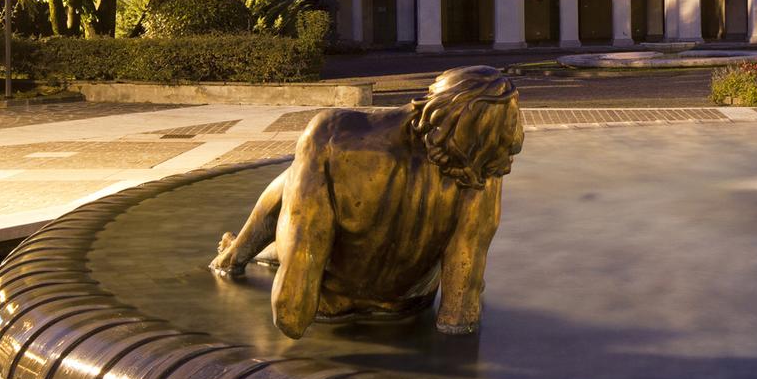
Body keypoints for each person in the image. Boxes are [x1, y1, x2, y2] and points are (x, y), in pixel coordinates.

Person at [210, 65, 525, 337]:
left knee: (298, 177)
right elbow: (459, 313)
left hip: (329, 304)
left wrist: (291, 310)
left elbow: (290, 314)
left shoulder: (334, 135)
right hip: (406, 305)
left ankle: (235, 254)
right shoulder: (479, 163)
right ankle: (253, 252)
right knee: (301, 182)